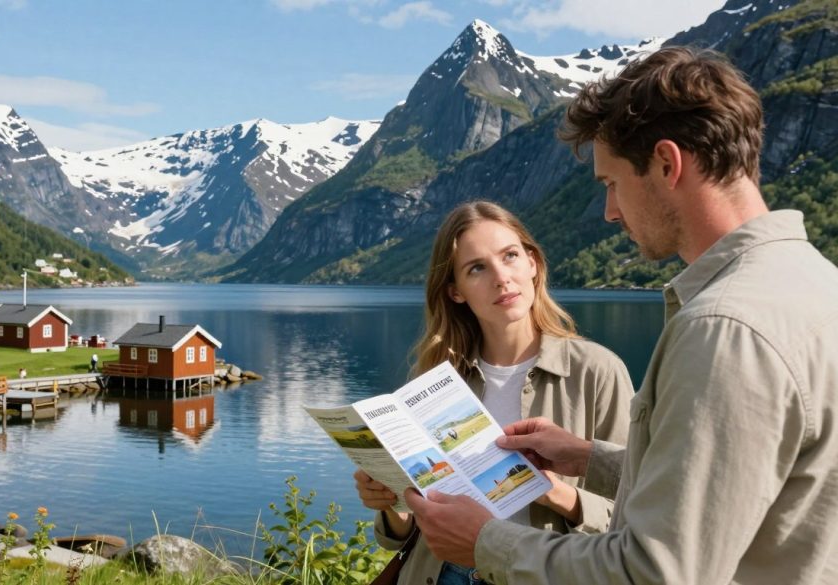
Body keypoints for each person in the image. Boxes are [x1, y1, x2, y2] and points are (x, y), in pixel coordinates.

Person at [404, 47, 838, 585]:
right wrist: (590, 457)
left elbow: (654, 572)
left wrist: (485, 543)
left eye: (611, 183)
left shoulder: (723, 329)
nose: (611, 211)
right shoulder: (817, 284)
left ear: (667, 164)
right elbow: (742, 481)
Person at [354, 201, 634, 584]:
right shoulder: (436, 381)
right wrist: (391, 501)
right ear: (455, 292)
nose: (501, 278)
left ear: (532, 263)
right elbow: (401, 535)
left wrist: (552, 492)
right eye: (477, 268)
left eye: (510, 256)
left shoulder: (597, 372)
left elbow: (635, 513)